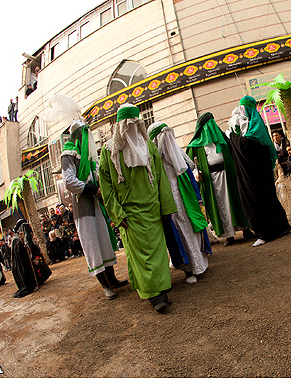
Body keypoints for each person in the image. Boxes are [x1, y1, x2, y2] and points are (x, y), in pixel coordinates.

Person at [99, 104, 177, 313]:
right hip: (130, 215)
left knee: (158, 253)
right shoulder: (109, 152)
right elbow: (106, 189)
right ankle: (156, 295)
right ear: (120, 126)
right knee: (140, 254)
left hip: (153, 210)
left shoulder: (148, 147)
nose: (132, 128)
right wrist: (117, 213)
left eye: (136, 123)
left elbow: (161, 179)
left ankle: (156, 287)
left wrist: (166, 207)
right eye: (128, 124)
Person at [61, 120, 128, 300]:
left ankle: (112, 279)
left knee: (104, 242)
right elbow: (69, 181)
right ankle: (105, 285)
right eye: (85, 134)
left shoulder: (89, 157)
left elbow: (97, 174)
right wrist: (92, 189)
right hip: (84, 209)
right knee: (92, 245)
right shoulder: (68, 154)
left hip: (97, 205)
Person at [148, 121, 212, 283]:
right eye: (164, 137)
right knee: (180, 230)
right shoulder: (154, 159)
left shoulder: (177, 153)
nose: (169, 140)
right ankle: (189, 268)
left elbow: (187, 167)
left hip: (185, 196)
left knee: (192, 227)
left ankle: (200, 264)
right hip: (171, 199)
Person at [227, 96, 291, 246]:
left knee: (258, 200)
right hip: (253, 173)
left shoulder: (255, 128)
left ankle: (266, 233)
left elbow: (246, 145)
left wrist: (232, 137)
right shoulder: (250, 126)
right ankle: (279, 228)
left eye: (243, 108)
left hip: (256, 175)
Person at [186, 112, 251, 247]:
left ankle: (246, 229)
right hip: (213, 181)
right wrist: (196, 174)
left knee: (237, 200)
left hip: (229, 176)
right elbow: (191, 165)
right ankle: (228, 235)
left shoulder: (223, 139)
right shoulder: (196, 146)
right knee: (222, 207)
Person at [11, 219, 51, 298]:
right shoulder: (16, 238)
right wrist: (21, 241)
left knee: (43, 268)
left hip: (32, 260)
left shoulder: (29, 237)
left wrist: (36, 258)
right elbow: (19, 252)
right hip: (23, 263)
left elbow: (35, 249)